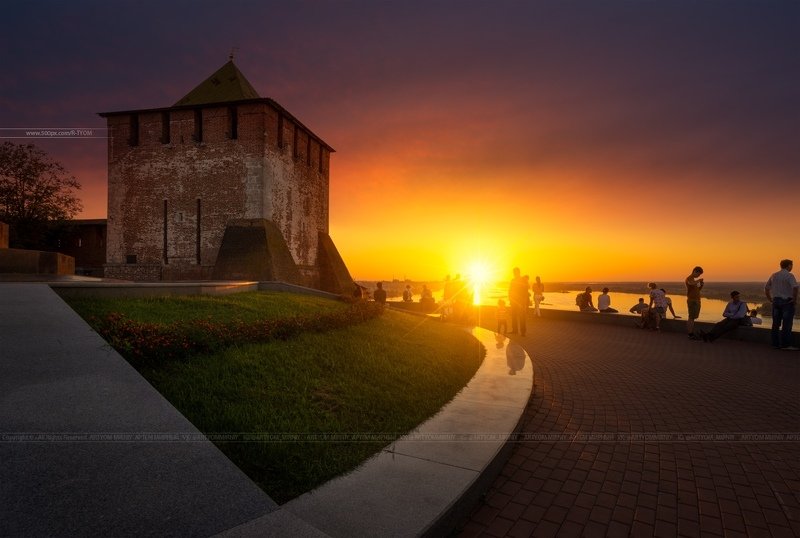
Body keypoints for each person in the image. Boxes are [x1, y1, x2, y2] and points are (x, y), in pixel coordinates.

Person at [765, 259, 798, 350]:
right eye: (791, 265)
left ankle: (775, 344)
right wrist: (794, 300)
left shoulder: (774, 275)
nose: (792, 267)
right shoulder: (789, 275)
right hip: (787, 302)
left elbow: (766, 288)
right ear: (788, 266)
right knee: (787, 324)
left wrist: (770, 299)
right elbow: (795, 288)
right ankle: (786, 345)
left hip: (776, 302)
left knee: (775, 324)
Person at [685, 266, 704, 339]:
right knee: (691, 317)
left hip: (696, 300)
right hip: (692, 300)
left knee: (692, 318)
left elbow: (697, 290)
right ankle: (690, 334)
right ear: (695, 271)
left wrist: (701, 285)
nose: (698, 276)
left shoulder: (693, 280)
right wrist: (698, 280)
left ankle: (691, 333)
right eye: (698, 274)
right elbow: (691, 283)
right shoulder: (689, 278)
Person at [508, 267, 529, 336]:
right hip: (514, 300)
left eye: (515, 272)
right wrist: (510, 298)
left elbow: (526, 289)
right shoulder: (513, 280)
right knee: (514, 315)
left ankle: (522, 331)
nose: (514, 273)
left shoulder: (523, 279)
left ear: (518, 272)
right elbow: (510, 290)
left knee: (521, 316)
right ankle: (515, 330)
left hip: (520, 301)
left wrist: (524, 300)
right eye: (514, 272)